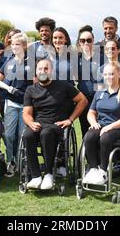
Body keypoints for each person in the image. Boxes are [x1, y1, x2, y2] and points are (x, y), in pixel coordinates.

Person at [22, 59, 88, 190]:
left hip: (57, 125)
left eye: (46, 68)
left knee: (46, 134)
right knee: (27, 136)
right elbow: (26, 113)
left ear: (51, 70)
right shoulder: (30, 90)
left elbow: (83, 100)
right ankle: (35, 176)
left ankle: (48, 174)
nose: (43, 71)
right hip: (38, 124)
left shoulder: (63, 86)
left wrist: (70, 119)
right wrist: (30, 123)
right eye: (40, 68)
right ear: (36, 71)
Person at [82, 63, 120, 185]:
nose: (108, 77)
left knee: (105, 137)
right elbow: (91, 112)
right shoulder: (99, 93)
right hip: (102, 125)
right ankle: (93, 169)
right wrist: (94, 122)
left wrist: (110, 126)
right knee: (89, 136)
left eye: (111, 74)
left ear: (119, 74)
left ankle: (103, 170)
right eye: (106, 74)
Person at [0, 32, 33, 177]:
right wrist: (8, 87)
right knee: (9, 135)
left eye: (17, 44)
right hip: (10, 103)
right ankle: (11, 161)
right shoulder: (8, 62)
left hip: (26, 105)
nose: (14, 47)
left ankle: (21, 163)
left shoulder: (32, 62)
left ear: (23, 46)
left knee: (22, 135)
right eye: (12, 44)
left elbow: (37, 83)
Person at [76, 25, 100, 139]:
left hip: (99, 99)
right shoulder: (76, 59)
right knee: (85, 131)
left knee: (99, 130)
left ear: (93, 41)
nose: (86, 43)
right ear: (79, 42)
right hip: (83, 101)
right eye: (83, 40)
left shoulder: (101, 58)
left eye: (89, 40)